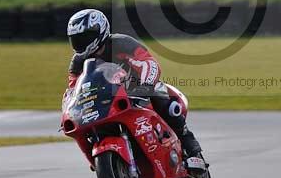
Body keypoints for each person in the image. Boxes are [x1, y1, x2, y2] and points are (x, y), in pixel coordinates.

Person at [65, 8, 203, 158]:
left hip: (136, 88)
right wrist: (70, 108)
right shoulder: (78, 61)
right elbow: (74, 88)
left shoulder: (121, 43)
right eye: (76, 39)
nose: (80, 43)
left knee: (166, 101)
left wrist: (145, 86)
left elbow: (149, 63)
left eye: (85, 37)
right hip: (105, 101)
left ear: (100, 32)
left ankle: (189, 143)